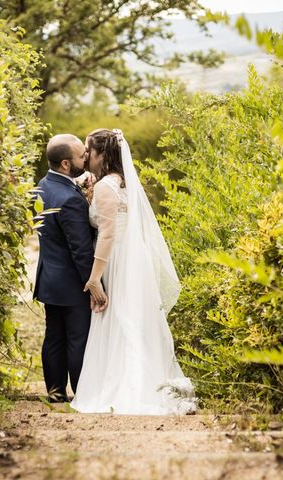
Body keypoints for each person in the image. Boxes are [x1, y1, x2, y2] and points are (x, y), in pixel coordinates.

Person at [71, 128, 196, 415]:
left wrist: (93, 279)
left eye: (90, 150)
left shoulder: (105, 187)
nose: (86, 156)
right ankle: (150, 384)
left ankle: (129, 388)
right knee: (133, 319)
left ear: (103, 154)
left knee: (118, 317)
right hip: (133, 259)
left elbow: (106, 235)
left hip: (114, 260)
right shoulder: (125, 185)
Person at [33, 134, 107, 403]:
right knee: (77, 339)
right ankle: (81, 392)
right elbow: (81, 251)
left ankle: (54, 391)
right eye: (80, 156)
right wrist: (93, 283)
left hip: (49, 279)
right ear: (66, 164)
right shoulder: (70, 199)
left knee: (54, 336)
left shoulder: (43, 185)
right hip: (73, 282)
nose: (85, 157)